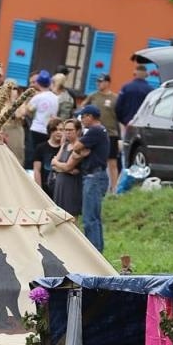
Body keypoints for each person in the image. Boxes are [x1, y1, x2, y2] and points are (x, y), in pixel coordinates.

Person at [72, 105, 111, 250]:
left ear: (90, 116)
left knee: (90, 219)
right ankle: (98, 251)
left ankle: (94, 252)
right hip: (97, 175)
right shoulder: (101, 131)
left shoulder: (95, 131)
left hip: (93, 177)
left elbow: (76, 147)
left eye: (83, 117)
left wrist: (79, 149)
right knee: (94, 217)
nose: (81, 120)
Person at [20, 71, 59, 186]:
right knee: (44, 157)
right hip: (48, 130)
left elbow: (27, 111)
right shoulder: (55, 98)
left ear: (38, 83)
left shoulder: (38, 97)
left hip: (36, 129)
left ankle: (30, 182)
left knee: (32, 157)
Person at [84, 74, 121, 192]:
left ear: (107, 83)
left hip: (111, 132)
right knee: (97, 159)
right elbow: (83, 107)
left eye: (101, 81)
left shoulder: (115, 98)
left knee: (112, 161)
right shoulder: (93, 96)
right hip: (95, 132)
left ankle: (114, 187)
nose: (98, 84)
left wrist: (120, 136)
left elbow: (119, 117)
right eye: (97, 82)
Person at [47, 120, 84, 218]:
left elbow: (70, 167)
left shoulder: (79, 146)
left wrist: (61, 166)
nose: (67, 132)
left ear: (78, 131)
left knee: (71, 215)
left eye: (70, 130)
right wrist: (65, 168)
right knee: (59, 215)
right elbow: (53, 164)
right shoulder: (65, 145)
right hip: (60, 184)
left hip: (72, 186)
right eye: (65, 130)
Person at [115, 62, 153, 130]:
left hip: (127, 123)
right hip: (142, 125)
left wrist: (122, 120)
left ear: (134, 73)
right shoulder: (150, 90)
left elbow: (118, 106)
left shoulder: (126, 87)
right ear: (146, 75)